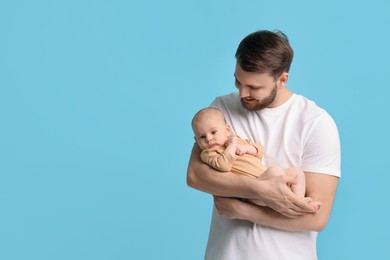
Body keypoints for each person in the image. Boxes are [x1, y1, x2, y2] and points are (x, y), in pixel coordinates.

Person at [186, 30, 340, 260]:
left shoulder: (316, 123)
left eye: (254, 87)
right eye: (238, 80)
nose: (242, 92)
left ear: (282, 79)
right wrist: (260, 189)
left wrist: (244, 210)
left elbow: (317, 218)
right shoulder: (220, 111)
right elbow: (196, 176)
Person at [191, 107, 311, 206]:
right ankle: (294, 202)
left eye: (213, 132)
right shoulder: (208, 153)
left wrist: (246, 148)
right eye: (202, 137)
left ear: (227, 130)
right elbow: (223, 166)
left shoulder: (236, 139)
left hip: (265, 176)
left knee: (296, 172)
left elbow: (260, 152)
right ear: (196, 140)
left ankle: (298, 201)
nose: (209, 139)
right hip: (254, 191)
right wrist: (231, 146)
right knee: (275, 171)